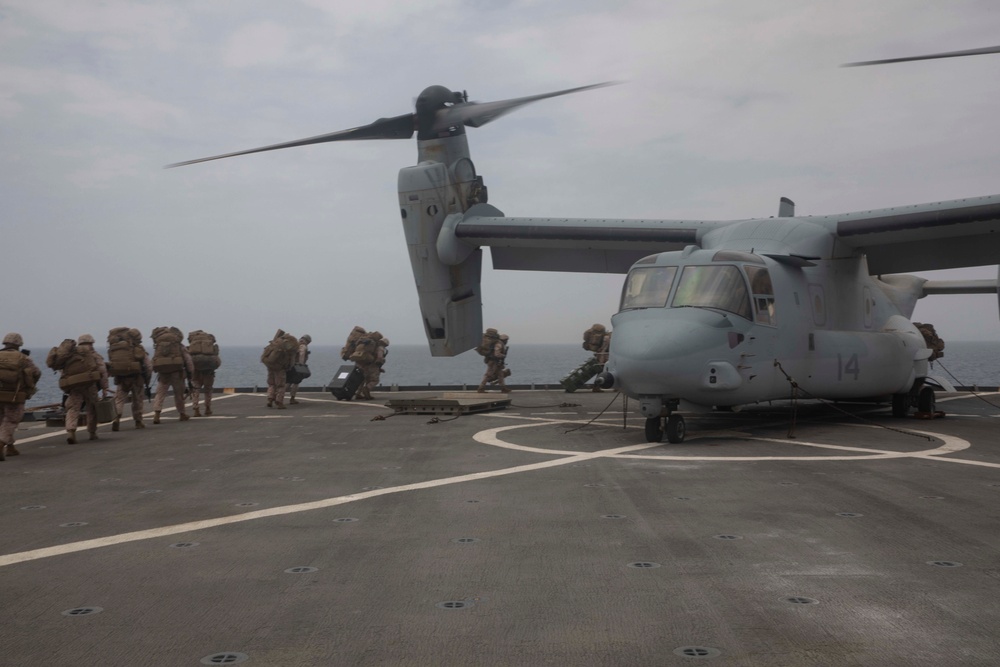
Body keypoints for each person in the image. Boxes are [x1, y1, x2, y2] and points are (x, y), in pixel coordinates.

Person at [61, 334, 109, 444]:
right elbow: (102, 371)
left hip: (74, 385)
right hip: (90, 385)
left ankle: (71, 430)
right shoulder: (93, 354)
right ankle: (92, 432)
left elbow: (64, 372)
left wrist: (67, 387)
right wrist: (105, 387)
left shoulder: (71, 355)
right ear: (91, 343)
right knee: (92, 408)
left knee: (73, 408)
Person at [0, 333, 41, 459]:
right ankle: (1, 443)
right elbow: (36, 373)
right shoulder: (23, 358)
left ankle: (10, 447)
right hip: (14, 395)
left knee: (2, 420)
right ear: (19, 344)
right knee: (11, 420)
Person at [107, 327, 152, 431]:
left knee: (119, 399)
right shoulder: (138, 349)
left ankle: (116, 419)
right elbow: (148, 366)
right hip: (137, 378)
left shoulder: (114, 349)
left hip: (121, 378)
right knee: (137, 400)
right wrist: (147, 381)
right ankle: (138, 422)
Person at [150, 326, 194, 424]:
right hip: (177, 373)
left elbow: (154, 360)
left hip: (163, 373)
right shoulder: (179, 345)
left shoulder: (159, 346)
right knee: (179, 394)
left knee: (160, 393)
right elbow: (188, 360)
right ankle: (182, 414)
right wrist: (190, 373)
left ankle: (157, 414)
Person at [187, 330, 222, 417]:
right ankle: (208, 408)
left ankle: (196, 409)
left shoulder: (192, 348)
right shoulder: (210, 346)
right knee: (208, 390)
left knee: (196, 389)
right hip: (209, 372)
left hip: (196, 371)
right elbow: (217, 359)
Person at [261, 329, 298, 409]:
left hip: (270, 365)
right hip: (280, 367)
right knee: (281, 385)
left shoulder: (276, 342)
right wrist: (290, 367)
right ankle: (279, 402)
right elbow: (292, 359)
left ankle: (270, 399)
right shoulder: (291, 346)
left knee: (271, 383)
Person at [356, 336, 388, 401]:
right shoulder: (380, 348)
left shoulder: (371, 347)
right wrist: (379, 366)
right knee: (374, 380)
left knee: (363, 380)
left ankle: (358, 393)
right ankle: (367, 389)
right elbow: (379, 358)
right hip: (373, 366)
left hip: (363, 365)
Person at [288, 334, 311, 405]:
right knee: (296, 383)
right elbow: (302, 354)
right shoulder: (303, 346)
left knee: (287, 382)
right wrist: (301, 365)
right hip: (296, 367)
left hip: (290, 366)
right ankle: (292, 398)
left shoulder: (295, 345)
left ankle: (278, 397)